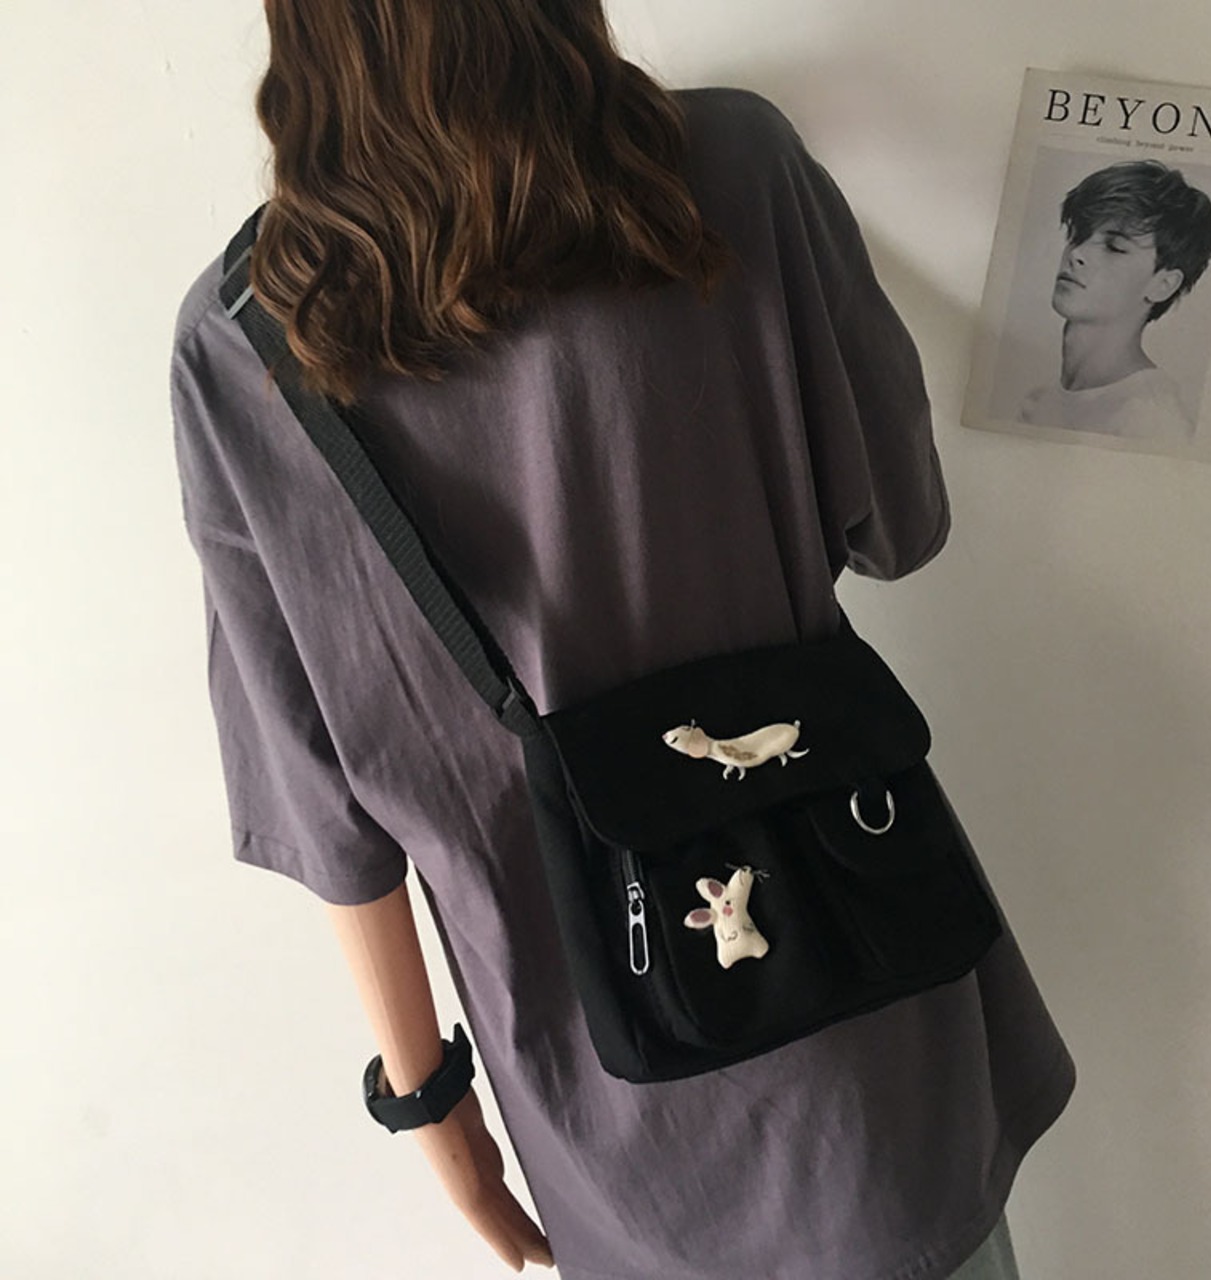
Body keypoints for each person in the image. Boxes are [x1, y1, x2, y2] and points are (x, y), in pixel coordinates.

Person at [170, 3, 1076, 1277]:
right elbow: (897, 522)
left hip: (607, 1107)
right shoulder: (734, 173)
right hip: (856, 1009)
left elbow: (328, 820)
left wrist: (432, 1108)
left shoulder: (242, 345)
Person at [1017, 159, 1211, 442]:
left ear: (1163, 285)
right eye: (1078, 235)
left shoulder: (1151, 420)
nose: (1076, 253)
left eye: (1114, 247)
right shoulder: (1039, 401)